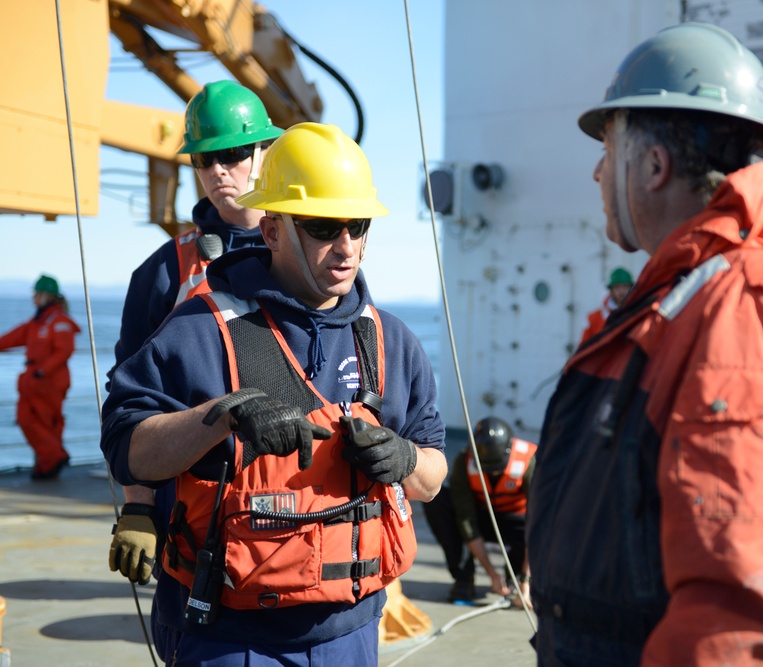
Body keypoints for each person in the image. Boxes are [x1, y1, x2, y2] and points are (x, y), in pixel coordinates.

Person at [525, 23, 763, 666]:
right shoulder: (690, 296)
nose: (595, 172)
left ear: (652, 165)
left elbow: (732, 606)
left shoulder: (745, 310)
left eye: (608, 150)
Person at [101, 121, 447, 665]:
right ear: (273, 231)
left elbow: (432, 480)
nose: (347, 247)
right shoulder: (200, 331)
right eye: (322, 226)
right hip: (229, 636)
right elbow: (128, 447)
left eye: (357, 226)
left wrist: (404, 460)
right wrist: (220, 418)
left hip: (350, 633)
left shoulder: (390, 342)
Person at [107, 80, 283, 588]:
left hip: (303, 496)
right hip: (201, 507)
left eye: (230, 153)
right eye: (203, 160)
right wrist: (138, 506)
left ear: (266, 151)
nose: (217, 170)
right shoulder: (165, 273)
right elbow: (129, 403)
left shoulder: (310, 253)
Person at [424, 416, 534, 606]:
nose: (493, 473)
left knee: (546, 525)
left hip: (519, 522)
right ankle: (464, 577)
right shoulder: (464, 461)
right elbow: (467, 521)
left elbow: (540, 524)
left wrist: (526, 580)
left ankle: (516, 578)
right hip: (483, 518)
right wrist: (492, 573)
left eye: (497, 468)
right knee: (437, 501)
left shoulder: (529, 462)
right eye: (487, 468)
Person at [0, 275, 79, 480]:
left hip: (49, 381)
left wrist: (42, 371)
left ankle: (50, 462)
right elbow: (12, 338)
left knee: (47, 423)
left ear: (46, 296)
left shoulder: (59, 322)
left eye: (36, 294)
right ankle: (52, 459)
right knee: (27, 420)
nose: (33, 298)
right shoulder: (37, 322)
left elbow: (64, 351)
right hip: (34, 380)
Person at [578, 267, 634, 344]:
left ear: (631, 289)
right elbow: (583, 347)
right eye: (617, 287)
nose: (621, 291)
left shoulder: (637, 312)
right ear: (611, 290)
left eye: (625, 286)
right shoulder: (593, 318)